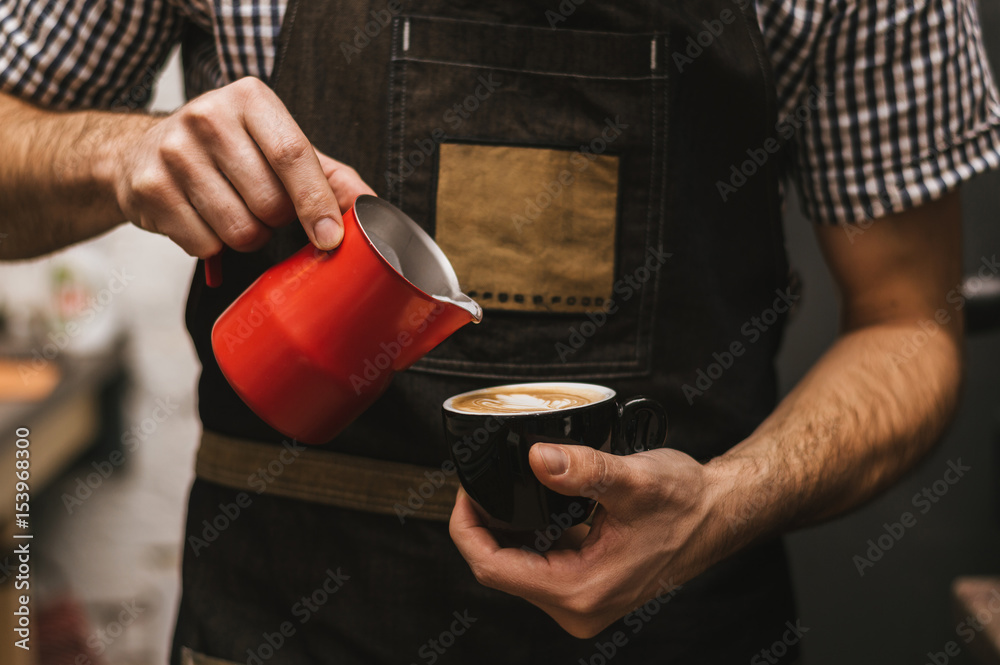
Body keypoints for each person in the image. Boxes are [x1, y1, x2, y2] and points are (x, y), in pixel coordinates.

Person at [1, 0, 997, 662]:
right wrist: (118, 153)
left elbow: (911, 321)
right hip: (283, 618)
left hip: (680, 624)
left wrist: (726, 501)